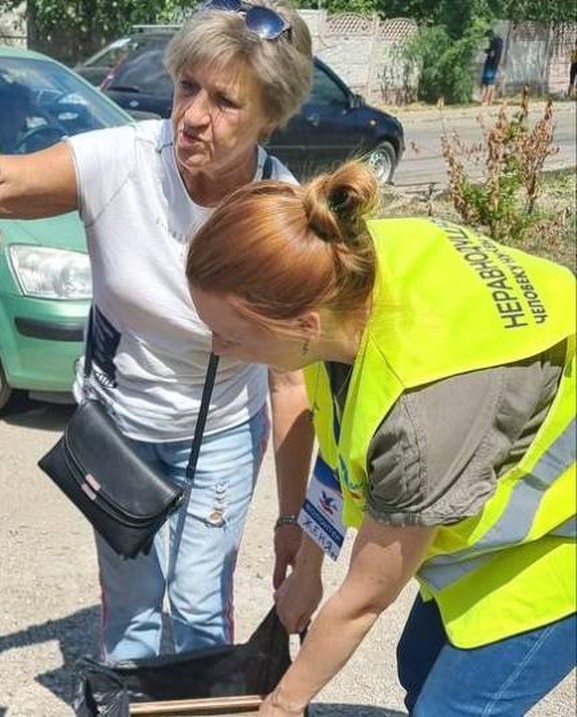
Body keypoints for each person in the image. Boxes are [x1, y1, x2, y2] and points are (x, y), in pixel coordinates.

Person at [0, 0, 317, 663]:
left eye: (227, 101)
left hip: (221, 433)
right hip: (118, 429)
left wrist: (293, 521)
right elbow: (1, 179)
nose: (194, 116)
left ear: (272, 116)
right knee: (132, 605)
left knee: (201, 602)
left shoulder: (279, 216)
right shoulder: (125, 161)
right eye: (186, 87)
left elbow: (290, 386)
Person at [184, 161, 576, 715]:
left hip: (556, 549)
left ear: (303, 328)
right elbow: (343, 441)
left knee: (451, 708)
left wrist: (281, 704)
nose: (217, 348)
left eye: (232, 335)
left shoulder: (418, 419)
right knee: (416, 666)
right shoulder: (339, 271)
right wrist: (308, 565)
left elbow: (365, 599)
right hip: (478, 464)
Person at [480, 29, 503, 106]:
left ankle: (484, 101)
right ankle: (490, 101)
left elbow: (492, 53)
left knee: (487, 83)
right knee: (491, 83)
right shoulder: (500, 42)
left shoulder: (494, 43)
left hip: (490, 64)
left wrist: (487, 51)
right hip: (495, 64)